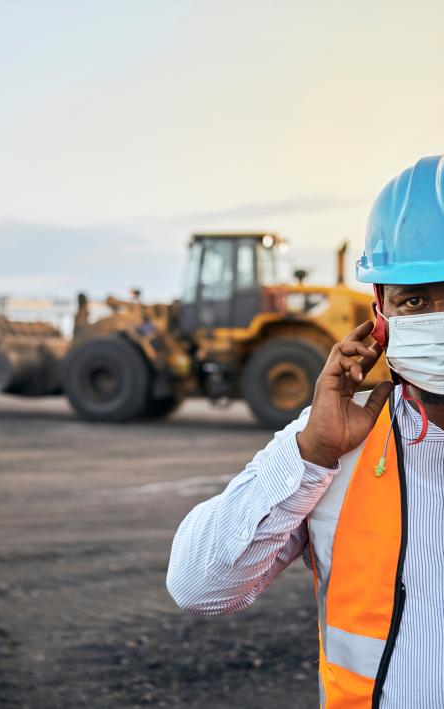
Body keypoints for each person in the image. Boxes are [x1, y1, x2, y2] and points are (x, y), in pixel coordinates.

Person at [166, 155, 444, 708]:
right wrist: (309, 452)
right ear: (379, 315)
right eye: (415, 299)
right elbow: (199, 587)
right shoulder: (336, 443)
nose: (437, 316)